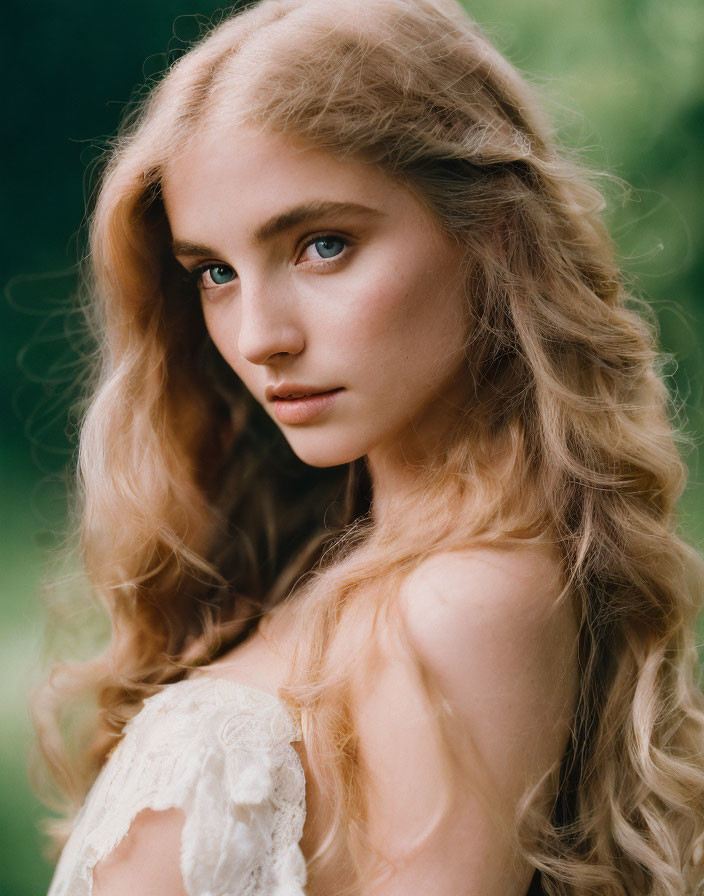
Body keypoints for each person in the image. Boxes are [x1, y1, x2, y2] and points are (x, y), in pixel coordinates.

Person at [32, 0, 704, 893]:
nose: (260, 336)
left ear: (491, 233)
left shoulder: (463, 602)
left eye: (321, 244)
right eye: (216, 273)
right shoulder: (328, 561)